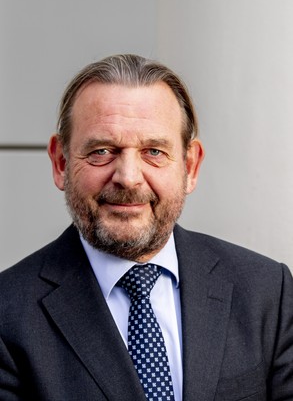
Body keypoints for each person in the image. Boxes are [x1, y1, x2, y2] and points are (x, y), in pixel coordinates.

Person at [0, 54, 292, 401]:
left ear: (190, 166)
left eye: (153, 151)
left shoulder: (267, 292)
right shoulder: (8, 314)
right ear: (61, 163)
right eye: (102, 151)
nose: (128, 177)